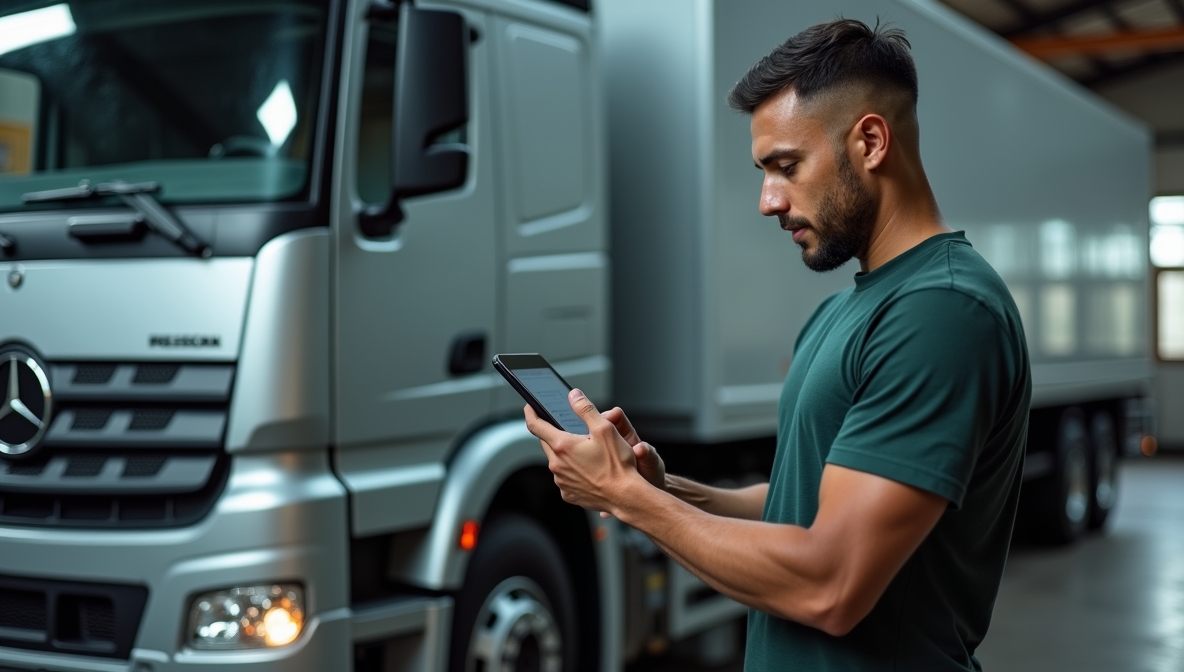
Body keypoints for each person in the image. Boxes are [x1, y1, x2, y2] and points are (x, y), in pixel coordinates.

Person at [523, 18, 1031, 671]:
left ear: (871, 141)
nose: (767, 201)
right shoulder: (840, 312)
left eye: (786, 166)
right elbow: (803, 500)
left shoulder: (941, 311)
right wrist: (665, 488)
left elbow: (833, 584)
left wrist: (629, 499)